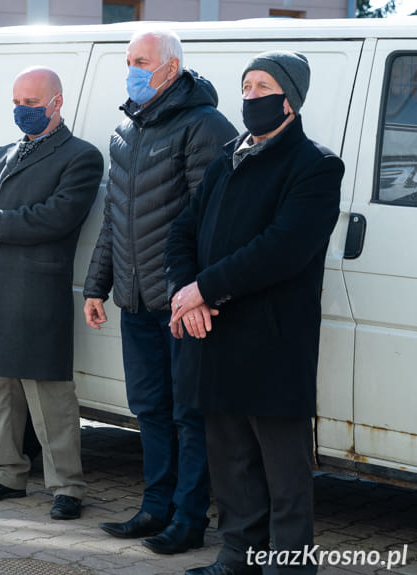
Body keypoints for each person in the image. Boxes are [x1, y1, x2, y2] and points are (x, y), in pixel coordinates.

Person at [165, 51, 344, 575]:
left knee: (282, 466)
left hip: (272, 339)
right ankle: (238, 556)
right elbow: (182, 232)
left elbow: (282, 249)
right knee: (231, 458)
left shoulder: (315, 165)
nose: (250, 96)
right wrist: (184, 291)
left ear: (290, 99)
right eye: (244, 86)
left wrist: (205, 289)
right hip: (216, 333)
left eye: (262, 86)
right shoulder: (226, 159)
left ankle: (289, 565)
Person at [83, 28, 237, 553]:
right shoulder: (126, 131)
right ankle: (155, 508)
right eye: (128, 61)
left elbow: (213, 222)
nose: (131, 70)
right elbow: (113, 221)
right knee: (148, 408)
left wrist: (195, 294)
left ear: (170, 68)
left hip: (182, 302)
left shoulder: (205, 126)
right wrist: (95, 286)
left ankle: (189, 519)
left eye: (140, 61)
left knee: (189, 413)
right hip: (135, 300)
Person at [0, 66, 104, 521]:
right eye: (17, 102)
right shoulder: (4, 151)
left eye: (31, 103)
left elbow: (58, 216)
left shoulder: (81, 156)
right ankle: (4, 474)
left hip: (37, 285)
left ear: (56, 102)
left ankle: (67, 486)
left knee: (49, 394)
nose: (21, 110)